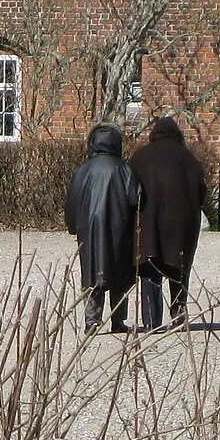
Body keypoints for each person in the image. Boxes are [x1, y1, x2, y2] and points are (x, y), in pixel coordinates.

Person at [130, 116, 207, 330]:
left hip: (149, 221)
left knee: (150, 266)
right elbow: (202, 194)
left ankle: (151, 319)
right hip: (182, 224)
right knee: (179, 268)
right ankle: (178, 312)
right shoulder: (189, 159)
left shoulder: (140, 158)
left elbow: (130, 193)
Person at [65, 123, 142, 334]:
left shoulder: (82, 171)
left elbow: (73, 201)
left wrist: (73, 225)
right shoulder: (124, 169)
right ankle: (118, 320)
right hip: (119, 228)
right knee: (120, 274)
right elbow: (136, 199)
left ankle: (92, 320)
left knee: (92, 272)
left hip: (88, 230)